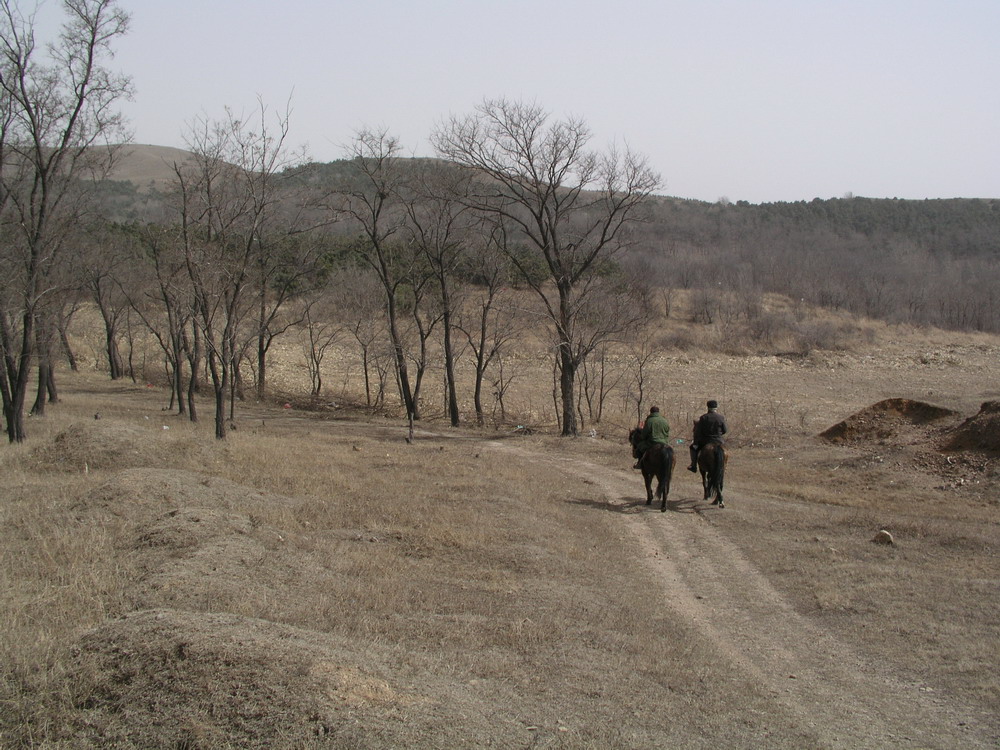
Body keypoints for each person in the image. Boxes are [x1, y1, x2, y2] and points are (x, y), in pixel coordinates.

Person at [688, 400, 727, 472]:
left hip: (706, 441)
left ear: (708, 407)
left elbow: (698, 432)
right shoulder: (721, 417)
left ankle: (693, 465)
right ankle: (724, 466)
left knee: (692, 448)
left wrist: (696, 443)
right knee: (724, 451)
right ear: (716, 407)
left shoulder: (704, 418)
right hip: (719, 441)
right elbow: (725, 430)